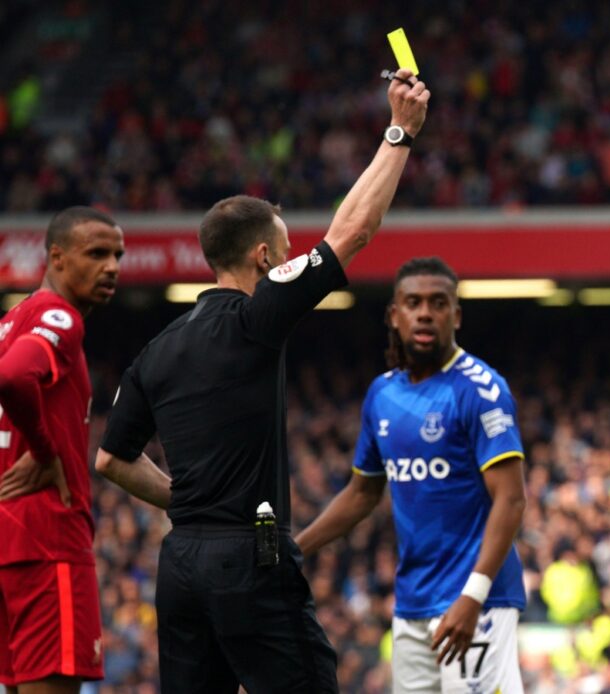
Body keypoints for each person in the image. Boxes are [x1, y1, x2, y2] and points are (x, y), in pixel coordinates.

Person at [93, 69, 430, 693]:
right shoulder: (258, 315)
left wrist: (188, 504)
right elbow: (351, 232)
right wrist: (399, 133)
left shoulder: (156, 350)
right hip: (250, 557)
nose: (292, 253)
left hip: (181, 564)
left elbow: (112, 459)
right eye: (285, 246)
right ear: (264, 259)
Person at [295, 256, 527, 694]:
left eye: (438, 303)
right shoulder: (383, 393)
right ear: (394, 315)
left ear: (455, 316)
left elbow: (511, 500)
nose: (425, 312)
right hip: (412, 604)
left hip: (478, 605)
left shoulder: (481, 390)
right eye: (413, 302)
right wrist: (297, 548)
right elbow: (362, 493)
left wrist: (472, 597)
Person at [0, 207, 123, 693]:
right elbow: (12, 378)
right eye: (96, 254)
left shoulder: (11, 321)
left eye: (117, 255)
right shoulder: (60, 318)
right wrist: (46, 451)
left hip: (11, 539)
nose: (111, 266)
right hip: (49, 540)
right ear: (56, 257)